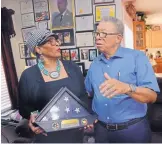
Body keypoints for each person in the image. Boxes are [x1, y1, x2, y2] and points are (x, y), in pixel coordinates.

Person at [85, 16, 160, 143]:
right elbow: (88, 93)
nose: (98, 37)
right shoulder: (95, 64)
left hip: (132, 131)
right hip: (101, 132)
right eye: (97, 33)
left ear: (118, 38)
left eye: (103, 33)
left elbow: (152, 96)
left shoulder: (137, 58)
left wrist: (127, 88)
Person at [18, 29, 87, 143]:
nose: (57, 43)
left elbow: (83, 96)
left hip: (76, 134)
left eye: (56, 40)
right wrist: (33, 115)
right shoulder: (28, 76)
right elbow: (24, 108)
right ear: (38, 49)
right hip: (47, 136)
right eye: (50, 41)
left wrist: (86, 116)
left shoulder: (73, 68)